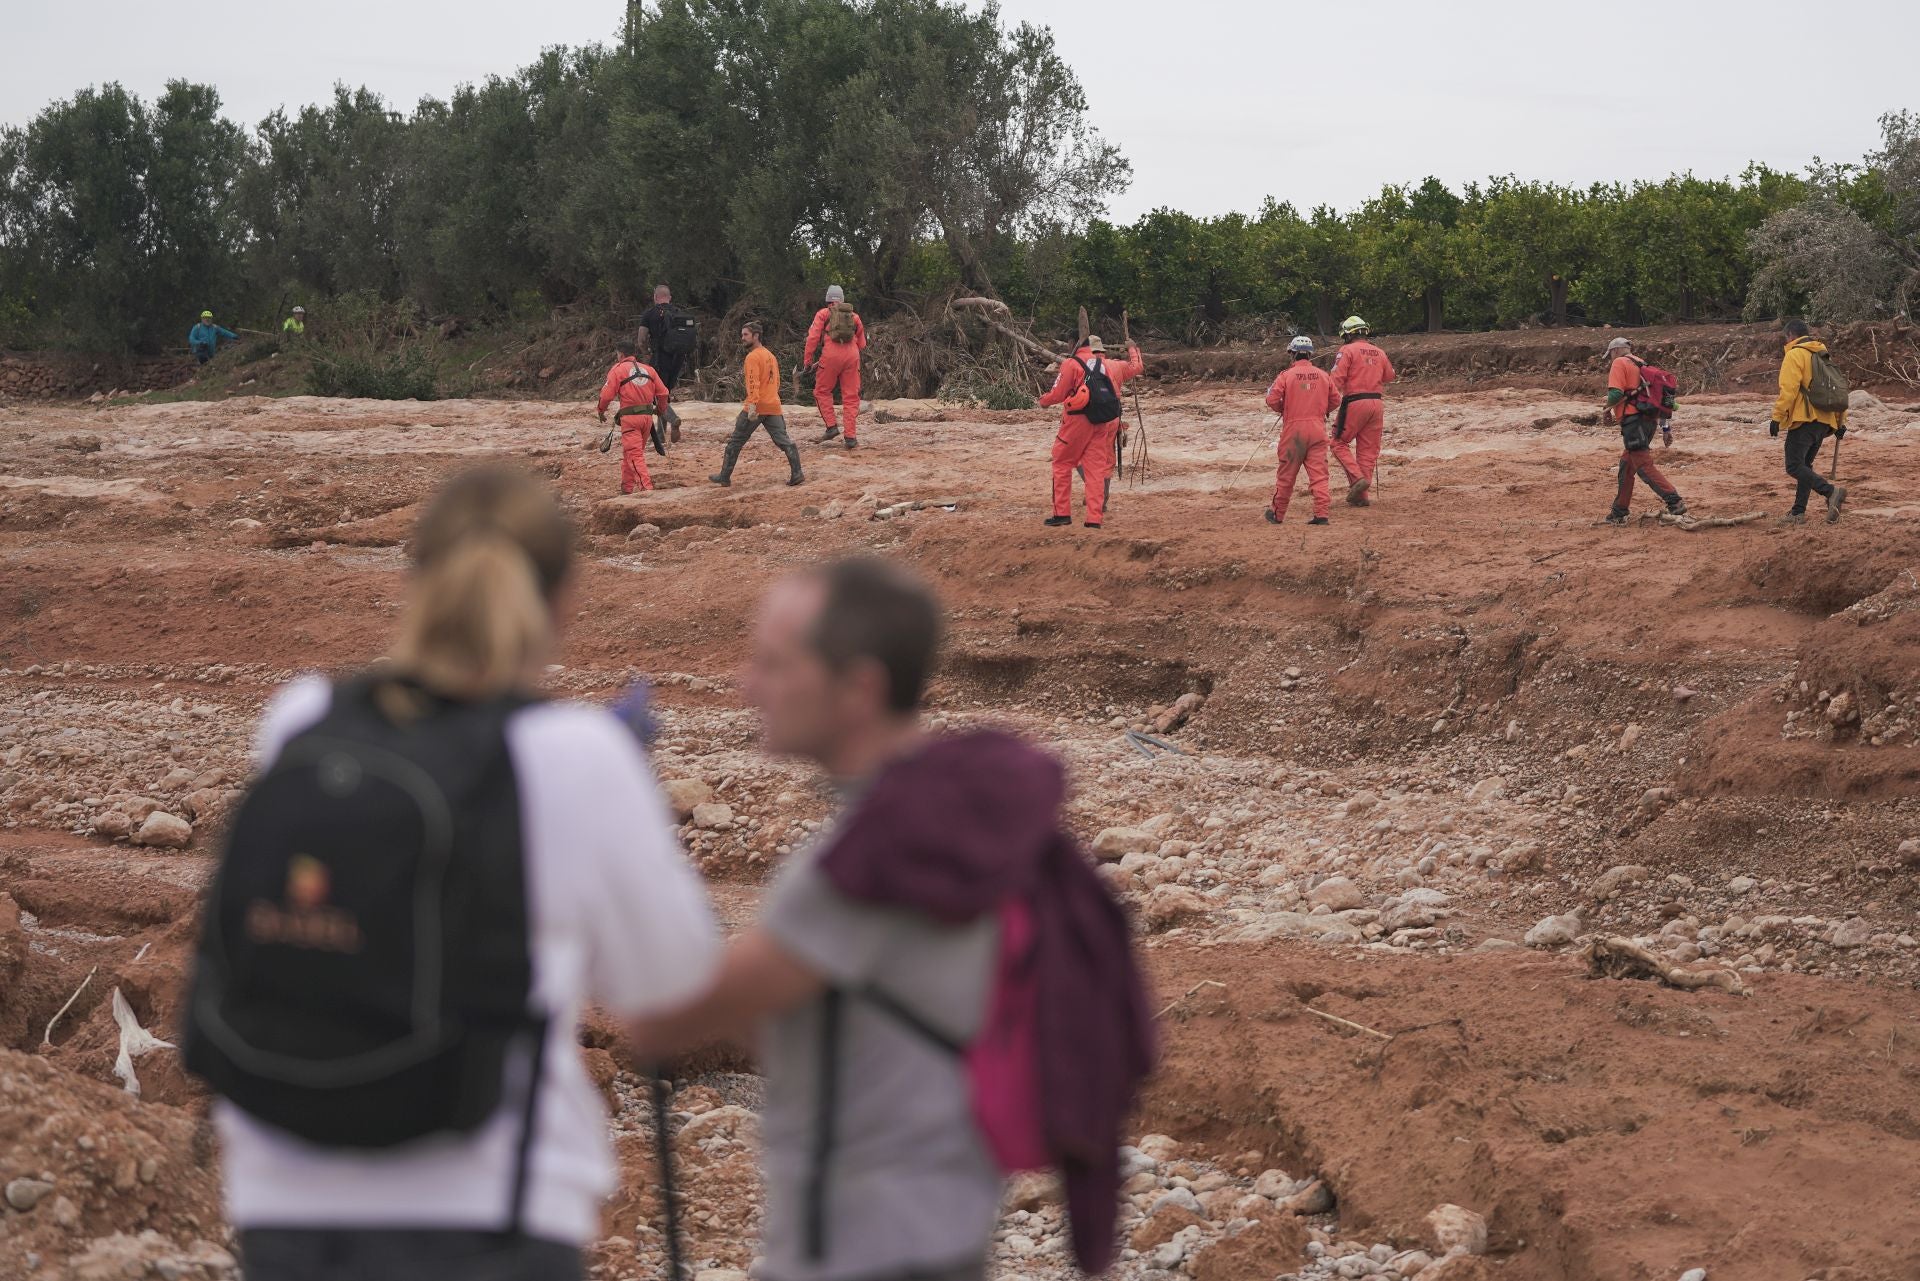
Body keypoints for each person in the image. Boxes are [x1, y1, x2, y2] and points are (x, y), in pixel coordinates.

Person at [184, 464, 720, 1281]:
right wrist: (623, 789)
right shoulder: (575, 755)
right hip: (487, 1215)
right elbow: (675, 984)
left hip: (283, 1208)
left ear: (416, 578)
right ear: (563, 598)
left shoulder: (301, 716)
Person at [630, 558, 1153, 1281]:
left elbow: (660, 1021)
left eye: (775, 663)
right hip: (950, 1236)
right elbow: (797, 1020)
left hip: (853, 1253)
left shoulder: (860, 868)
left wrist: (622, 830)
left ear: (860, 688)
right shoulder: (966, 818)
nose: (748, 684)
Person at [1037, 334, 1143, 529]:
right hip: (1109, 418)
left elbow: (1059, 393)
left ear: (1073, 345)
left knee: (1062, 461)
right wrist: (1133, 349)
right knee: (1100, 465)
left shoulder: (1072, 363)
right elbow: (1136, 368)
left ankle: (1062, 514)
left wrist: (1043, 401)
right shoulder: (1110, 365)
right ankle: (1095, 517)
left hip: (1079, 420)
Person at [1770, 317, 1849, 525]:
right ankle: (1798, 513)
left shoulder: (1795, 355)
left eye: (1785, 339)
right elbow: (1838, 390)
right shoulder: (1823, 355)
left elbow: (1789, 390)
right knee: (1805, 465)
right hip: (1825, 422)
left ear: (1790, 336)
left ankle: (1831, 492)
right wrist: (1840, 423)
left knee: (1794, 466)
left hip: (1805, 419)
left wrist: (1776, 418)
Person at [1601, 336, 1687, 525]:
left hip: (1633, 422)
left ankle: (1675, 501)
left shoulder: (1619, 363)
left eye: (1610, 354)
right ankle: (1619, 512)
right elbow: (1663, 399)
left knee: (1643, 466)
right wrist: (1666, 428)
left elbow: (1615, 393)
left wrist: (1606, 408)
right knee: (1626, 465)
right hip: (1649, 422)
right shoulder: (1642, 364)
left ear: (1615, 351)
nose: (1610, 358)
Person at [712, 321, 803, 488]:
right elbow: (776, 382)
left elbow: (753, 383)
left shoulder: (752, 357)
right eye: (742, 335)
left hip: (756, 406)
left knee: (735, 441)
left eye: (746, 335)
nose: (742, 338)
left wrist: (752, 405)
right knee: (783, 441)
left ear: (756, 336)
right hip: (773, 405)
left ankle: (724, 477)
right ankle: (797, 473)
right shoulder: (770, 355)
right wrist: (772, 398)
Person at [1262, 336, 1338, 526]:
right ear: (1310, 354)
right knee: (1319, 476)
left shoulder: (1286, 375)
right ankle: (1322, 515)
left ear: (1292, 354)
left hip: (1293, 432)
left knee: (1286, 476)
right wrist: (1322, 410)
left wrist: (1284, 409)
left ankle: (1277, 515)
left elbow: (1271, 399)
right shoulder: (1323, 375)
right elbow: (1336, 400)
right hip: (1317, 430)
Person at [1327, 316, 1395, 506]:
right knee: (1367, 452)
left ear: (1347, 334)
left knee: (1338, 443)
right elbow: (1389, 376)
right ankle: (1361, 496)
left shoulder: (1346, 350)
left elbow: (1335, 380)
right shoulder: (1379, 352)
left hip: (1355, 403)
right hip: (1376, 404)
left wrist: (1323, 402)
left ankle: (1357, 480)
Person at [597, 340, 673, 495]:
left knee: (634, 455)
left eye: (617, 354)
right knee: (630, 454)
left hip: (630, 419)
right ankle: (626, 488)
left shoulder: (617, 370)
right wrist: (660, 410)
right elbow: (664, 393)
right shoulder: (648, 369)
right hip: (646, 419)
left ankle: (646, 489)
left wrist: (601, 411)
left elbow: (606, 395)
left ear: (621, 354)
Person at [804, 285, 867, 449]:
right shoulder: (855, 316)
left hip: (830, 356)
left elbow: (812, 339)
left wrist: (808, 362)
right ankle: (851, 438)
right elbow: (862, 344)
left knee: (821, 391)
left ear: (828, 300)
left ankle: (831, 427)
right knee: (851, 397)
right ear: (842, 299)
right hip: (853, 357)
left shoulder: (823, 314)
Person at [638, 286, 694, 441]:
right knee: (664, 394)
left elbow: (641, 339)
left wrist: (646, 354)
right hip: (678, 360)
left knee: (655, 395)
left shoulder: (650, 314)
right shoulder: (679, 313)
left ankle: (673, 419)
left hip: (660, 359)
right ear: (669, 297)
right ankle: (661, 435)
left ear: (655, 297)